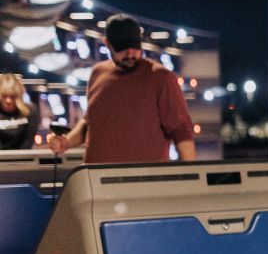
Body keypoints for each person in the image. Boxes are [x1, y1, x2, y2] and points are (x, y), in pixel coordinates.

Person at [48, 14, 195, 163]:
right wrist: (65, 143)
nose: (130, 53)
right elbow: (90, 123)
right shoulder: (97, 73)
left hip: (143, 182)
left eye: (135, 46)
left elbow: (181, 130)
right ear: (107, 44)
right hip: (97, 179)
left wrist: (190, 178)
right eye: (122, 48)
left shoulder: (161, 77)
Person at [0, 73, 40, 149]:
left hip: (24, 157)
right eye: (4, 96)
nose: (8, 100)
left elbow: (28, 141)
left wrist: (19, 158)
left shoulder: (30, 110)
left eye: (12, 96)